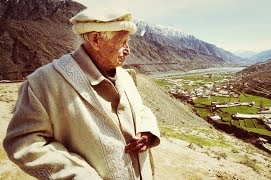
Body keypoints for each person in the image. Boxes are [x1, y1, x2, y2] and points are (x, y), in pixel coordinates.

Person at [3, 7, 160, 180]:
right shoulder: (44, 82)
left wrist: (147, 132)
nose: (128, 50)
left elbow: (140, 109)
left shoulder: (124, 75)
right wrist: (80, 175)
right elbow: (24, 143)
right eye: (122, 42)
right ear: (95, 40)